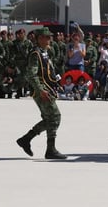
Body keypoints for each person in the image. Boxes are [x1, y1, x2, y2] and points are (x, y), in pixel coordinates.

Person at [16, 27, 67, 160]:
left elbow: (48, 70)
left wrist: (56, 84)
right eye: (47, 37)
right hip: (42, 91)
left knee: (50, 119)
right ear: (39, 39)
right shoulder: (35, 54)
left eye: (50, 37)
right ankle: (50, 149)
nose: (50, 39)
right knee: (55, 117)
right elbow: (31, 75)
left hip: (48, 89)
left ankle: (26, 139)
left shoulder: (45, 52)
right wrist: (41, 90)